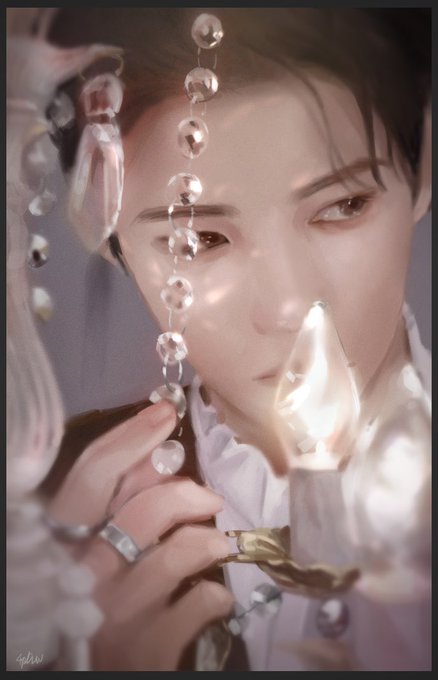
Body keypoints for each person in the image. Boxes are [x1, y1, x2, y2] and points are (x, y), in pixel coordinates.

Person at [23, 7, 433, 671]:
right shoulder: (34, 519)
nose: (290, 308)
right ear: (104, 226)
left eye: (343, 206)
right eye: (200, 240)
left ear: (424, 165)